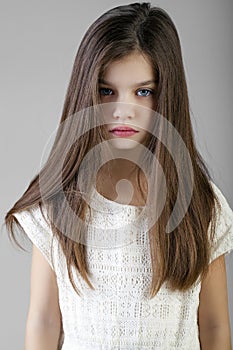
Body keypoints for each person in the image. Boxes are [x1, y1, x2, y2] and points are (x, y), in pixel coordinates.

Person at [5, 2, 233, 349]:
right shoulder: (59, 201)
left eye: (144, 92)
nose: (122, 109)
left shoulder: (201, 204)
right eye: (106, 91)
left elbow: (215, 326)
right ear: (86, 93)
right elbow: (44, 321)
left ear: (166, 96)